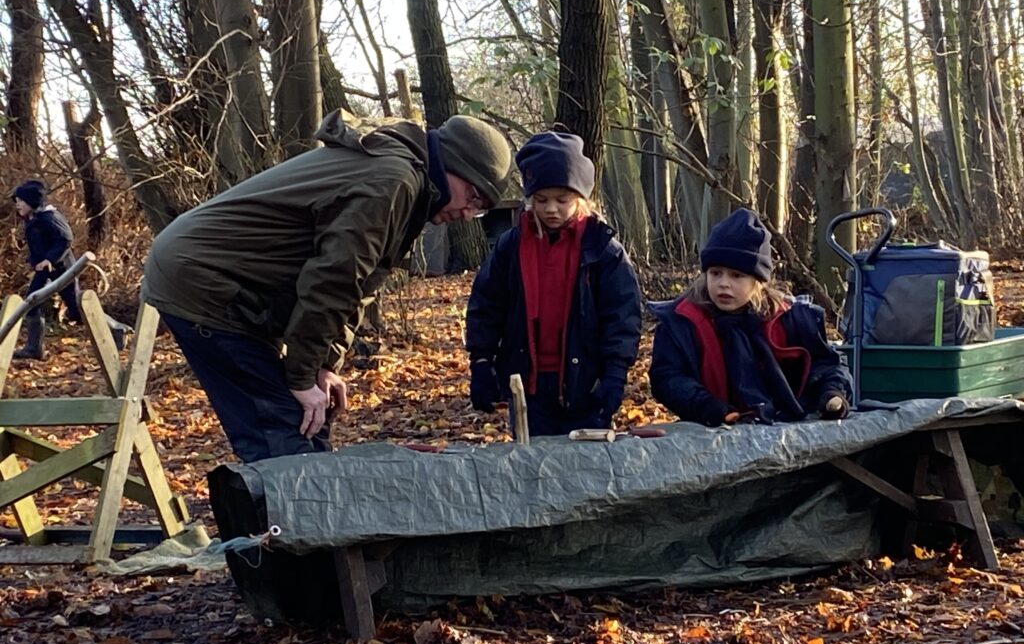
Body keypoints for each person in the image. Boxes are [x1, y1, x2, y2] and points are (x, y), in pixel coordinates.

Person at [141, 109, 512, 462]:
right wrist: (301, 376)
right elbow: (332, 281)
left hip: (230, 284)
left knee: (306, 429)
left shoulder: (408, 184)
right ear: (452, 165)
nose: (467, 213)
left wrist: (323, 366)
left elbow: (360, 286)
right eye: (473, 197)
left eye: (479, 209)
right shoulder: (391, 180)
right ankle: (280, 526)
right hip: (204, 281)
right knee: (283, 435)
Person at [465, 131, 642, 437]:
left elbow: (622, 315)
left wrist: (615, 373)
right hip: (528, 388)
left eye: (562, 200)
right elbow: (487, 304)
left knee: (589, 470)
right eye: (541, 200)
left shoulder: (602, 248)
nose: (550, 209)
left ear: (581, 199)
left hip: (588, 384)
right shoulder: (511, 246)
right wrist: (481, 361)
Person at [649, 208, 852, 427]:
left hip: (788, 429)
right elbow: (667, 377)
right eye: (716, 273)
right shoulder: (682, 320)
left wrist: (832, 393)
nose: (724, 283)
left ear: (758, 281)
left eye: (737, 275)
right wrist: (705, 405)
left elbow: (827, 364)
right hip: (709, 432)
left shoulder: (789, 318)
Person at [11, 180, 82, 360]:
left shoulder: (50, 217)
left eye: (21, 201)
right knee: (32, 303)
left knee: (77, 310)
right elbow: (38, 244)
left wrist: (50, 259)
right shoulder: (33, 219)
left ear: (32, 202)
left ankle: (118, 330)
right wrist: (36, 261)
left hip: (63, 269)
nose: (17, 204)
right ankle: (34, 348)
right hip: (44, 270)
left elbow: (65, 239)